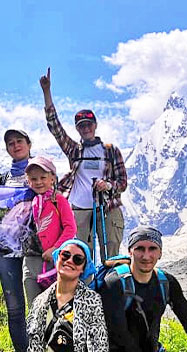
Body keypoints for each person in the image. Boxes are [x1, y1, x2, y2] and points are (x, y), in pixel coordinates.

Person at [39, 67, 127, 260]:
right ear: (78, 129)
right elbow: (55, 127)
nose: (86, 129)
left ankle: (108, 289)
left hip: (107, 207)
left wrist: (108, 185)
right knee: (78, 257)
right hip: (77, 208)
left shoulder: (110, 150)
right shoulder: (74, 149)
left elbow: (123, 183)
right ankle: (81, 288)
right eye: (81, 126)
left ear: (95, 125)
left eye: (89, 124)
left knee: (110, 256)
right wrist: (47, 92)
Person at [0, 129, 31, 352]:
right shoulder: (2, 178)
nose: (15, 145)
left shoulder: (41, 171)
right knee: (15, 307)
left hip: (34, 248)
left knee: (39, 303)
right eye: (11, 143)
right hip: (7, 249)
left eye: (19, 141)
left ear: (29, 144)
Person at [21, 156, 76, 306]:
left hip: (53, 261)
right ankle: (36, 329)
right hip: (30, 260)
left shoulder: (59, 200)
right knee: (34, 306)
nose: (38, 182)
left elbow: (70, 228)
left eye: (43, 177)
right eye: (33, 178)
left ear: (52, 178)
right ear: (28, 180)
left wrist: (55, 249)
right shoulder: (27, 202)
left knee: (55, 305)